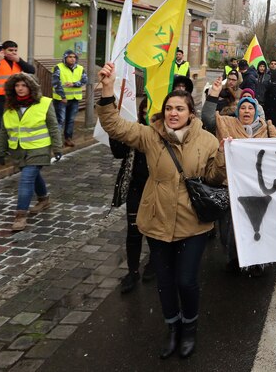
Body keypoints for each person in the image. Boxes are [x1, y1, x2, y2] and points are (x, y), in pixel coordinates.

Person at [97, 62, 226, 359]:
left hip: (192, 224)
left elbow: (214, 178)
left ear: (190, 113)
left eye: (179, 108)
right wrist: (107, 89)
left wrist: (222, 156)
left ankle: (189, 329)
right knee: (165, 282)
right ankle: (172, 328)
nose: (173, 113)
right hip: (157, 221)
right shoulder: (149, 135)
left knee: (186, 280)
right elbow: (114, 125)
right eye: (169, 108)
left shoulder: (206, 139)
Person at [202, 84, 276, 274]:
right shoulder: (227, 124)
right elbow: (207, 119)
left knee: (257, 225)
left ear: (256, 111)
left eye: (250, 107)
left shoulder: (265, 129)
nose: (246, 111)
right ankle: (235, 258)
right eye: (243, 107)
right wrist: (213, 96)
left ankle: (257, 261)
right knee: (229, 228)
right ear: (238, 111)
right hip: (232, 186)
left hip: (258, 188)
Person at [0, 73, 62, 232]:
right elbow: (4, 131)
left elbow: (53, 126)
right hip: (18, 151)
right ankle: (44, 199)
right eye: (17, 86)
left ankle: (20, 215)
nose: (20, 89)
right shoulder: (10, 106)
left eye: (23, 85)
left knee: (26, 178)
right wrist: (0, 152)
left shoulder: (44, 103)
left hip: (39, 148)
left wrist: (57, 148)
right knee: (33, 175)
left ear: (31, 87)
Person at [110, 98, 155, 293]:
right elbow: (118, 152)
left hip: (156, 190)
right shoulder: (134, 131)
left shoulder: (163, 134)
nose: (147, 116)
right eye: (144, 112)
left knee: (154, 231)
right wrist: (114, 132)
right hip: (136, 188)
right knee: (134, 231)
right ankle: (132, 271)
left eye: (150, 112)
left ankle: (153, 263)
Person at [0, 40, 36, 148]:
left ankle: (13, 145)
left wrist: (20, 60)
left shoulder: (17, 61)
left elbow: (31, 70)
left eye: (15, 50)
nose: (13, 53)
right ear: (3, 50)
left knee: (14, 122)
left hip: (14, 97)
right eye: (10, 50)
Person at [51, 50, 87, 147]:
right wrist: (62, 96)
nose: (72, 59)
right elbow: (55, 83)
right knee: (60, 120)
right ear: (65, 58)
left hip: (74, 99)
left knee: (70, 120)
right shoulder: (58, 67)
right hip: (61, 100)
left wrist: (74, 84)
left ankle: (68, 139)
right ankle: (57, 142)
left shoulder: (80, 68)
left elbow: (84, 80)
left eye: (74, 57)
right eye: (70, 57)